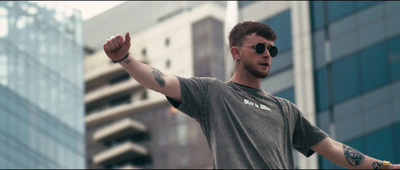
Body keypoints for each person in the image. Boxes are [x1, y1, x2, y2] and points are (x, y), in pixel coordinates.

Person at [103, 21, 399, 169]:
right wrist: (125, 59)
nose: (267, 54)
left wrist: (387, 167)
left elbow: (333, 149)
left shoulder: (286, 110)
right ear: (236, 53)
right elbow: (161, 82)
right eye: (259, 48)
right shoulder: (212, 94)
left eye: (272, 49)